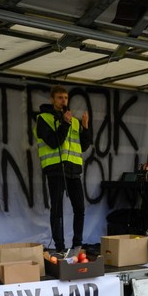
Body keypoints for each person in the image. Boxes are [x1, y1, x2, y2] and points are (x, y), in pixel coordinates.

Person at [35, 85, 92, 255]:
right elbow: (54, 142)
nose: (64, 101)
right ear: (52, 99)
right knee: (57, 209)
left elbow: (83, 146)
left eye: (66, 98)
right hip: (56, 169)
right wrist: (65, 124)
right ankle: (59, 246)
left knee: (79, 208)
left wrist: (85, 127)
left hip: (73, 170)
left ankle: (77, 245)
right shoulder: (43, 118)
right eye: (60, 98)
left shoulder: (73, 120)